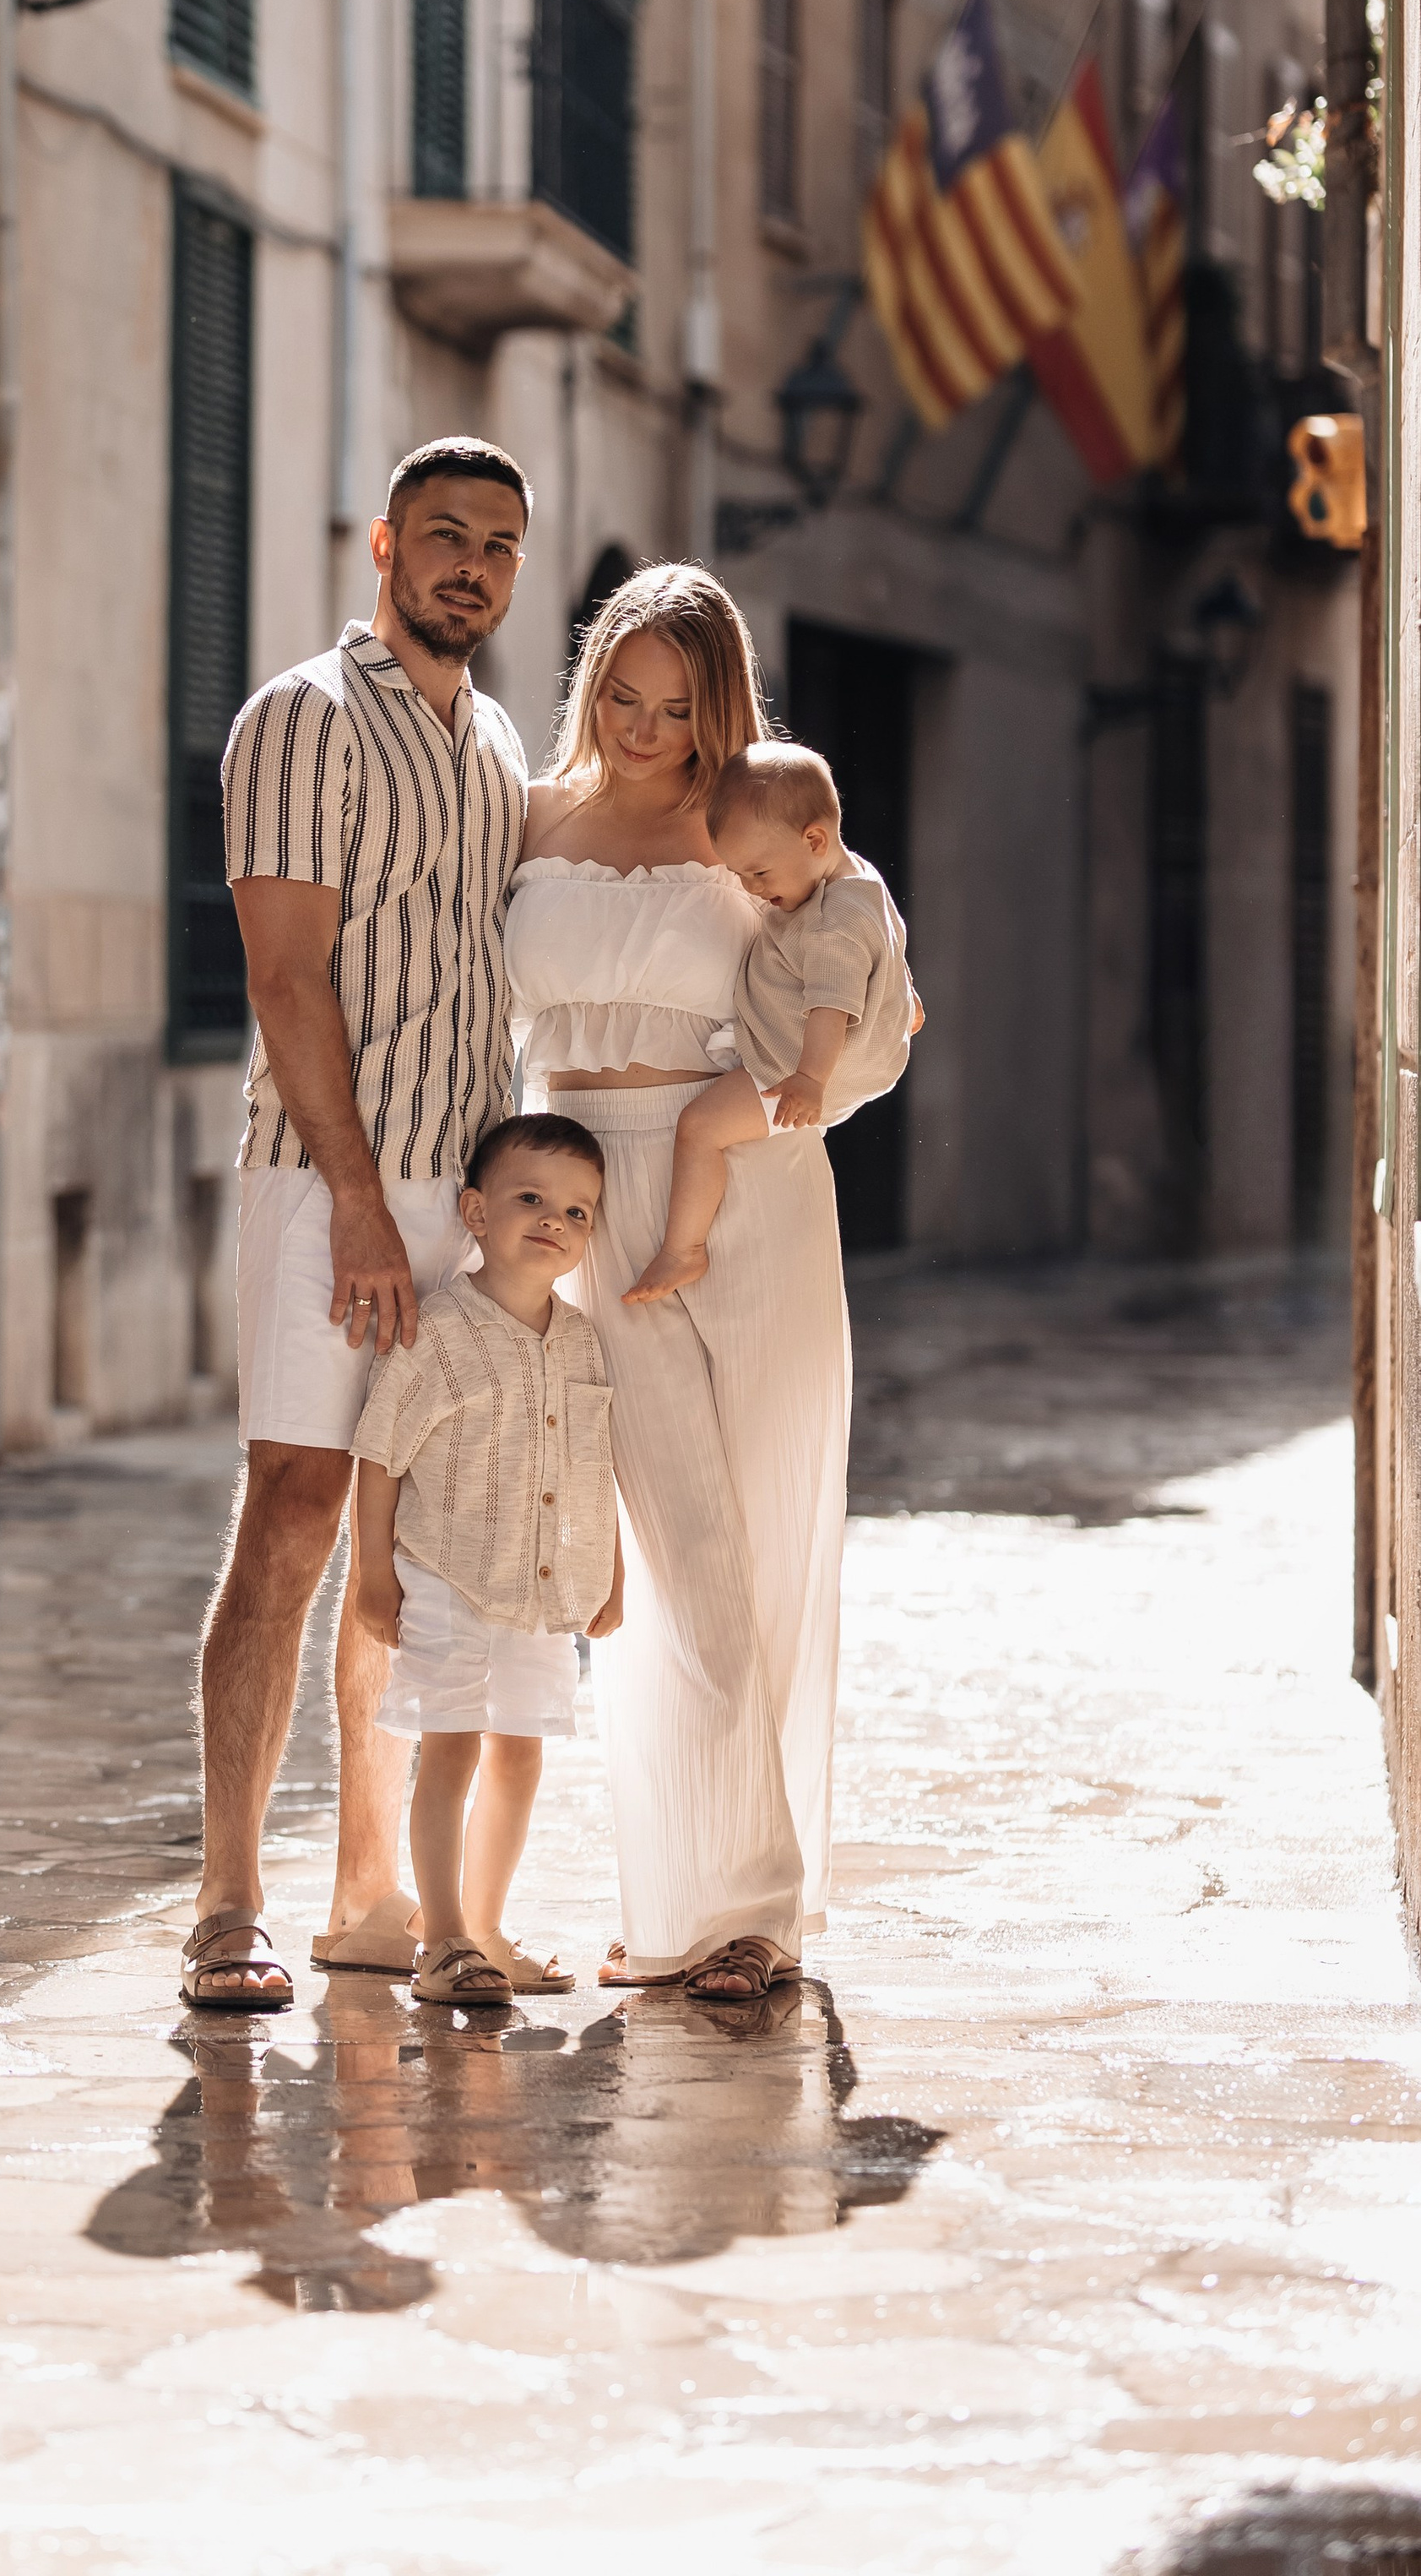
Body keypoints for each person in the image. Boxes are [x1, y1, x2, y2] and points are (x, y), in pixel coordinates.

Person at [182, 438, 533, 2014]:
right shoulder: (300, 718)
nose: (471, 566)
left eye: (501, 547)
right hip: (335, 1181)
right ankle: (227, 1898)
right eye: (445, 536)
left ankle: (371, 1889)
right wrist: (354, 1202)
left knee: (419, 1537)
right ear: (383, 545)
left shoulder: (498, 743)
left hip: (462, 1193)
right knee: (301, 1510)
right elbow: (285, 975)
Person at [502, 564, 850, 2005]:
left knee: (767, 1538)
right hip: (591, 1196)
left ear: (721, 703)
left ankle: (729, 1907)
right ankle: (713, 1899)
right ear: (592, 684)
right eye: (622, 698)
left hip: (748, 1186)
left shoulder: (753, 824)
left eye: (676, 704)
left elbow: (862, 967)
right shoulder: (528, 816)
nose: (646, 730)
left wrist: (805, 1089)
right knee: (678, 1553)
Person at [350, 1114, 625, 2008]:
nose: (554, 1220)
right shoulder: (435, 1333)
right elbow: (380, 1453)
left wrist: (609, 1573)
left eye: (578, 1212)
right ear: (474, 1210)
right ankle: (443, 1939)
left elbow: (594, 1464)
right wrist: (373, 1574)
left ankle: (487, 1926)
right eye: (531, 1199)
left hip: (541, 1593)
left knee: (520, 1755)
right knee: (452, 1749)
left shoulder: (583, 1342)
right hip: (448, 1580)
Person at [623, 742, 915, 1306]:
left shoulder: (831, 927)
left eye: (759, 871)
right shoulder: (858, 879)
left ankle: (684, 1248)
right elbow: (889, 943)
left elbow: (829, 1005)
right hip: (857, 1055)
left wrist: (808, 1078)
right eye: (739, 873)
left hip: (798, 1065)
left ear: (814, 840)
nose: (752, 888)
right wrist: (902, 999)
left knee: (699, 1128)